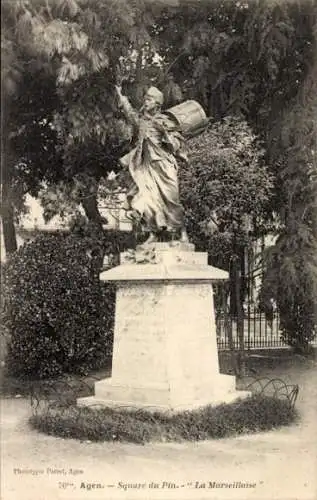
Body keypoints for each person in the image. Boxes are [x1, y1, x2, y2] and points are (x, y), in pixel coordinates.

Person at [115, 84, 189, 245]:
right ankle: (153, 234)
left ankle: (182, 232)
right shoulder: (142, 122)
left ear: (157, 103)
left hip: (164, 165)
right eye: (145, 99)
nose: (146, 102)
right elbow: (130, 114)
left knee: (172, 199)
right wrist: (121, 96)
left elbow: (177, 145)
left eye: (149, 99)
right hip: (147, 167)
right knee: (148, 201)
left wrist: (166, 135)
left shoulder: (165, 121)